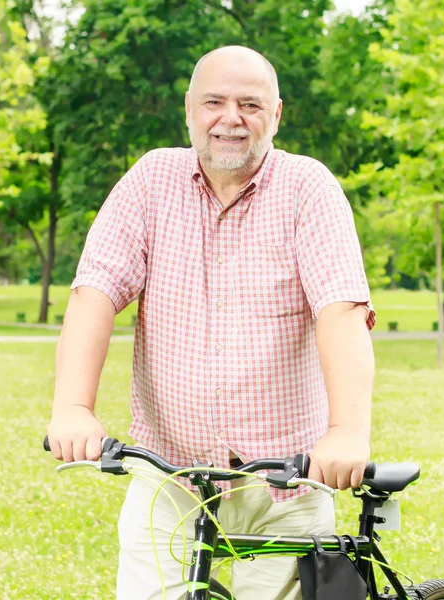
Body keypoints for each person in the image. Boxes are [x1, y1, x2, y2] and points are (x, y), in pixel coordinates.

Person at [47, 45, 375, 600]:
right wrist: (72, 408)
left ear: (276, 115)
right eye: (214, 102)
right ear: (189, 110)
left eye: (250, 104)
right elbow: (94, 293)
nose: (231, 118)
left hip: (284, 477)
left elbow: (340, 310)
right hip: (169, 467)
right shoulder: (151, 181)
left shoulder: (308, 189)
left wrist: (346, 432)